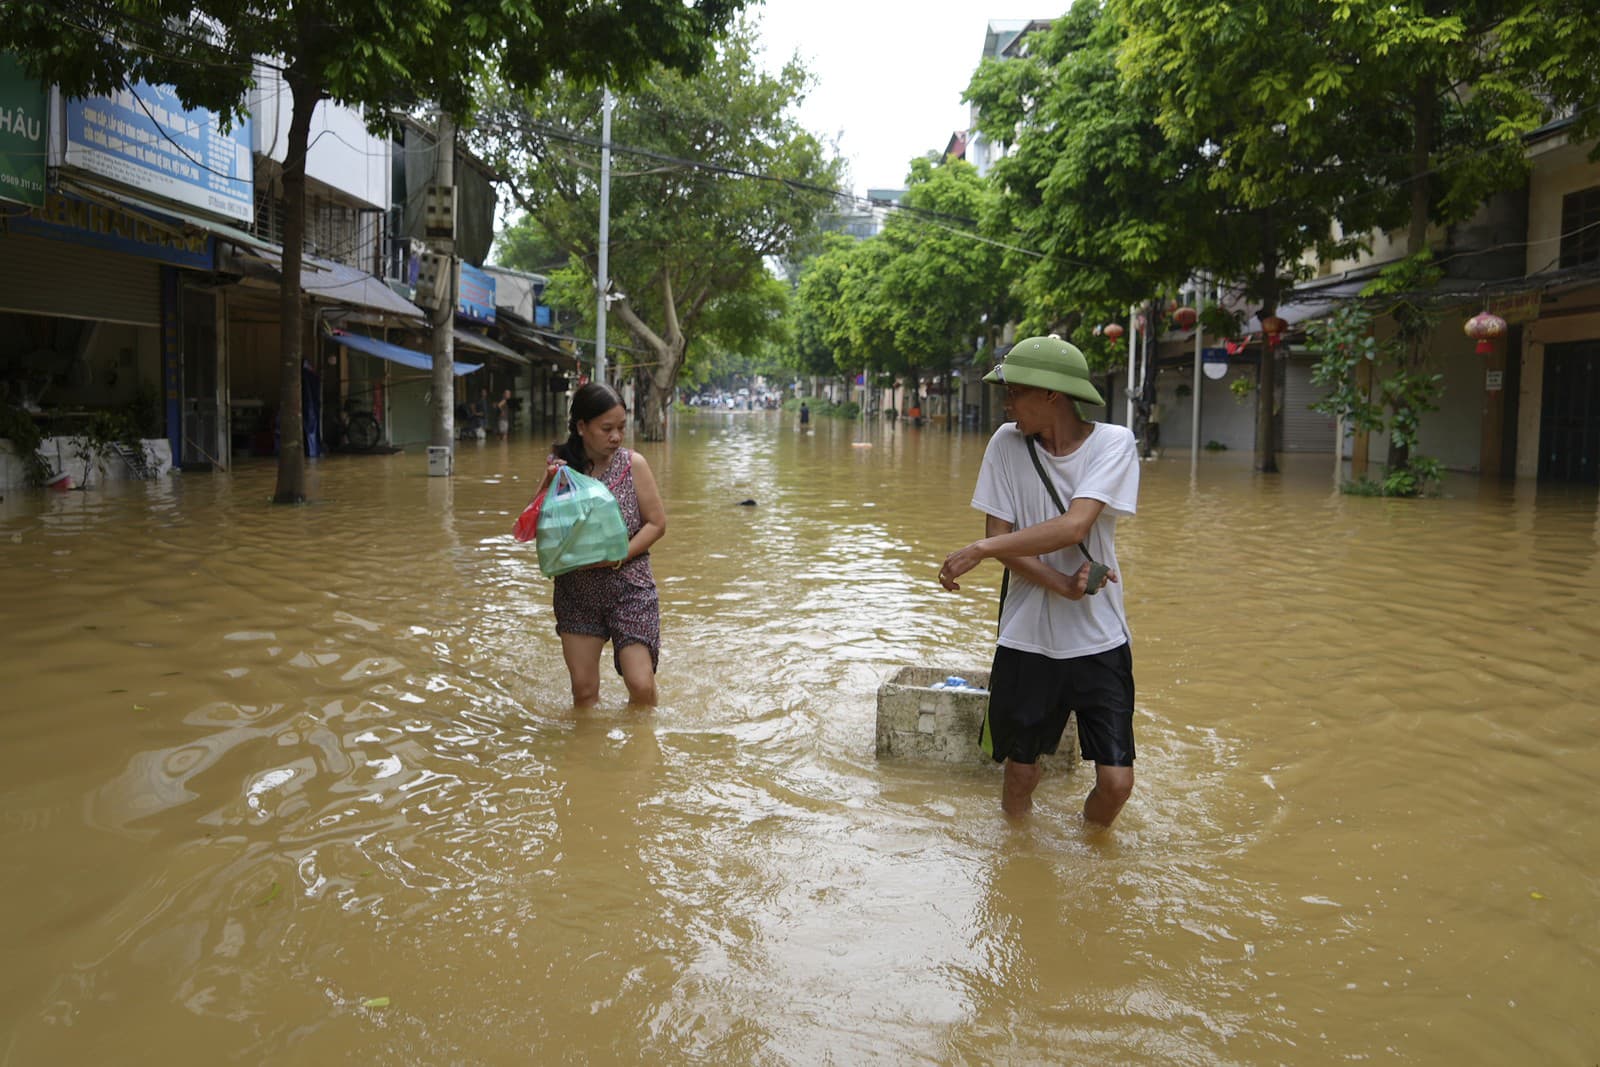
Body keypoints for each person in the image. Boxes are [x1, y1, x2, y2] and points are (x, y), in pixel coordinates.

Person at [937, 336, 1140, 828]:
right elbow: (1003, 536)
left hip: (1099, 636)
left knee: (1117, 784)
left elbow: (1075, 525)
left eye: (1016, 393)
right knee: (1020, 773)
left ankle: (1090, 850)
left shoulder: (1114, 442)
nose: (1007, 405)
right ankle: (1017, 855)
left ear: (1052, 395)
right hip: (1027, 637)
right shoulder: (1005, 444)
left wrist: (981, 551)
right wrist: (1059, 583)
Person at [533, 383, 667, 707]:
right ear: (581, 427)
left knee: (641, 686)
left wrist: (618, 557)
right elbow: (538, 530)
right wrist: (547, 485)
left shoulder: (633, 464)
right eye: (606, 428)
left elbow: (657, 523)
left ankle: (641, 749)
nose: (616, 437)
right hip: (577, 591)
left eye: (622, 427)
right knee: (584, 692)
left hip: (629, 587)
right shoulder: (562, 469)